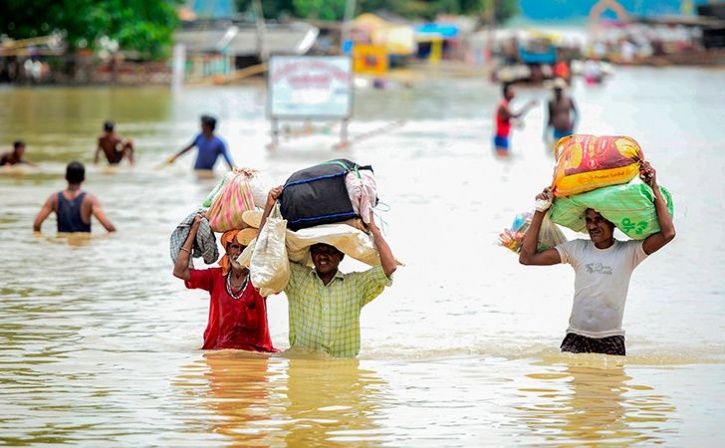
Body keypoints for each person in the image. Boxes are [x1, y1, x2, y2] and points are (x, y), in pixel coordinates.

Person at [518, 161, 675, 356]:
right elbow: (527, 258)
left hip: (612, 340)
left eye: (599, 219)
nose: (592, 226)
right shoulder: (576, 249)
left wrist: (654, 188)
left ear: (613, 223)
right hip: (575, 338)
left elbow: (668, 234)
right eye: (589, 220)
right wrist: (540, 211)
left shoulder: (630, 253)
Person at [259, 186, 398, 358]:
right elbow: (265, 256)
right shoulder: (297, 279)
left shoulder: (356, 284)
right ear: (311, 254)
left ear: (341, 255)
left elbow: (389, 267)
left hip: (344, 369)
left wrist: (373, 228)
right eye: (318, 250)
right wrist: (269, 206)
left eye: (330, 250)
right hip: (304, 369)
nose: (323, 255)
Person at [173, 218, 275, 352]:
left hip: (256, 354)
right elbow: (180, 271)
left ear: (251, 252)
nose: (239, 253)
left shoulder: (260, 278)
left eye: (245, 248)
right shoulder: (215, 277)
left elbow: (267, 250)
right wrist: (194, 230)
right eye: (235, 247)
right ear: (227, 251)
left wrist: (268, 206)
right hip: (217, 351)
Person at [33, 161, 116, 233]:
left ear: (66, 177)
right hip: (83, 248)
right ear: (84, 178)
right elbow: (109, 227)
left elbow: (37, 224)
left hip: (62, 246)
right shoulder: (90, 199)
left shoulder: (54, 198)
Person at [168, 115, 234, 171]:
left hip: (207, 173)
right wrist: (175, 156)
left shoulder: (219, 143)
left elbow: (227, 158)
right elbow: (188, 148)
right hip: (196, 170)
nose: (201, 126)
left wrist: (234, 170)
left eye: (203, 125)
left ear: (208, 127)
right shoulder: (199, 137)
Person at [494, 83, 537, 157]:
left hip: (503, 137)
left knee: (505, 161)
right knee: (505, 160)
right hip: (501, 138)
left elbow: (505, 120)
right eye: (511, 90)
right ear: (506, 93)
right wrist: (528, 105)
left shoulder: (505, 105)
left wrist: (515, 124)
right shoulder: (503, 105)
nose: (514, 92)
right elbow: (516, 116)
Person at [544, 77, 578, 147]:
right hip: (557, 131)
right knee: (558, 154)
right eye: (556, 89)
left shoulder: (569, 99)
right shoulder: (551, 102)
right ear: (553, 90)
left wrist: (573, 125)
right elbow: (549, 118)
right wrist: (546, 132)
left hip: (568, 130)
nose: (558, 91)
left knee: (569, 153)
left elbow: (576, 114)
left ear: (563, 89)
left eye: (559, 89)